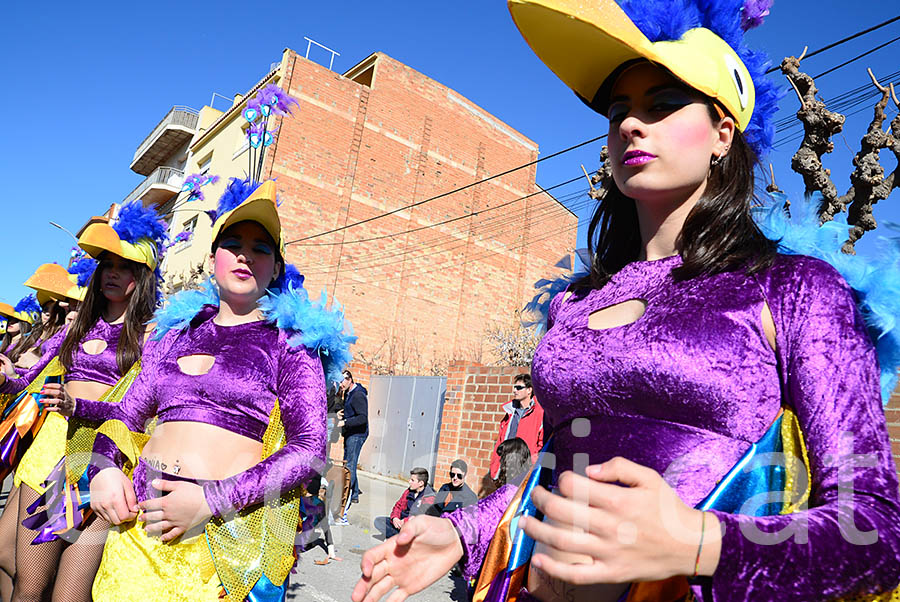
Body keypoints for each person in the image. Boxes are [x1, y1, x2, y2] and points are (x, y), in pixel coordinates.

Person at [351, 1, 900, 600]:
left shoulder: (793, 289)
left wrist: (697, 541)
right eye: (619, 111)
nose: (632, 124)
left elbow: (875, 531)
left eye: (662, 104)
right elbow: (557, 470)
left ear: (723, 133)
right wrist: (461, 532)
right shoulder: (576, 305)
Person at [45, 177, 353, 602]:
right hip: (137, 531)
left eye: (261, 248)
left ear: (277, 268)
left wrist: (212, 499)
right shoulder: (173, 335)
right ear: (213, 259)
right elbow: (127, 416)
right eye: (233, 243)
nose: (246, 254)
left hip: (218, 542)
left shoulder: (291, 344)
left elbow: (309, 449)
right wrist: (105, 470)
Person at [0, 203, 162, 602]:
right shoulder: (79, 326)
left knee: (67, 594)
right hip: (53, 452)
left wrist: (81, 407)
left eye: (124, 266)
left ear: (141, 277)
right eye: (107, 264)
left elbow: (142, 412)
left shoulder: (153, 336)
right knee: (29, 582)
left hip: (101, 463)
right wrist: (6, 379)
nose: (112, 273)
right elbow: (28, 380)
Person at [490, 373, 544, 479]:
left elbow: (541, 444)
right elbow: (500, 441)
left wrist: (530, 464)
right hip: (505, 468)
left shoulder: (539, 413)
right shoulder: (510, 412)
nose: (515, 390)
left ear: (529, 390)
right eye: (514, 387)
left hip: (524, 470)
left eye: (519, 388)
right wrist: (495, 469)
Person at [337, 369, 368, 525]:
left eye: (342, 381)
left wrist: (345, 422)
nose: (340, 385)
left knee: (349, 467)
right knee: (349, 465)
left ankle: (345, 506)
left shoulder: (358, 395)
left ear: (349, 380)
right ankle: (354, 493)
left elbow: (362, 417)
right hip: (351, 434)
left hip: (357, 435)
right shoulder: (348, 393)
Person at [383, 468, 436, 539]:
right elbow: (398, 506)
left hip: (413, 526)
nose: (409, 481)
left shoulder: (429, 497)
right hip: (401, 522)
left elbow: (421, 516)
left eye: (412, 480)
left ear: (421, 483)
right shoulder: (408, 491)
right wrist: (395, 518)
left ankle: (398, 537)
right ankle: (401, 537)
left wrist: (405, 521)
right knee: (380, 521)